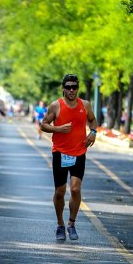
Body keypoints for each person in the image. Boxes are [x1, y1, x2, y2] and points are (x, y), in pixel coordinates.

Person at [40, 74, 98, 241]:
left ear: (78, 88)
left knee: (75, 189)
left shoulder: (85, 105)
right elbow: (43, 124)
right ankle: (60, 224)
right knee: (60, 192)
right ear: (63, 88)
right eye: (68, 87)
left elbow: (93, 121)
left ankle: (71, 223)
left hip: (79, 152)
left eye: (74, 87)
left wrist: (93, 133)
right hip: (60, 152)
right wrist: (58, 129)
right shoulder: (56, 106)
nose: (72, 90)